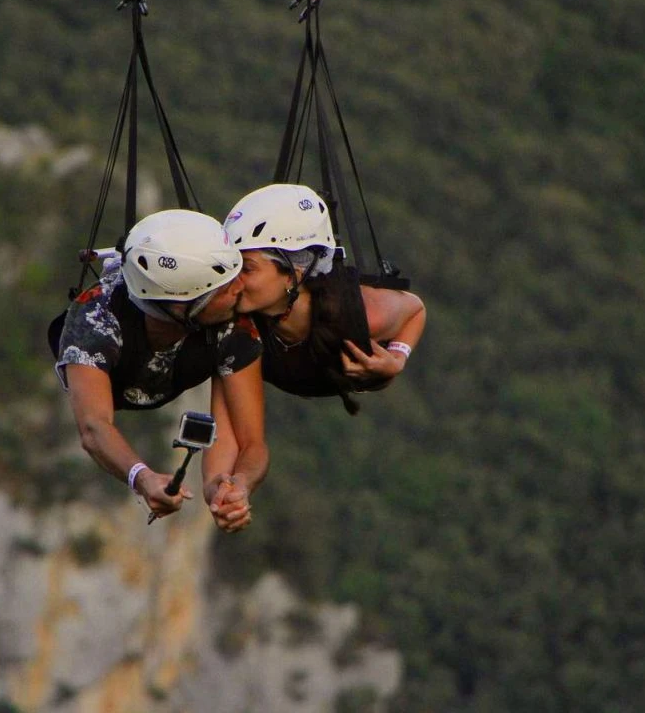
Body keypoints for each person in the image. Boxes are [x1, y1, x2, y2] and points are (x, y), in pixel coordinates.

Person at [54, 209, 267, 531]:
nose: (241, 289)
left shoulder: (233, 326)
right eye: (225, 288)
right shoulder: (95, 322)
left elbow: (248, 439)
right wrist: (143, 477)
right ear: (186, 305)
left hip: (174, 364)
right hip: (118, 371)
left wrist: (232, 487)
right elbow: (94, 426)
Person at [224, 184, 426, 414]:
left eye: (247, 269)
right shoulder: (227, 315)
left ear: (292, 275)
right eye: (232, 266)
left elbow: (415, 309)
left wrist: (397, 359)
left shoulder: (359, 315)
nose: (232, 279)